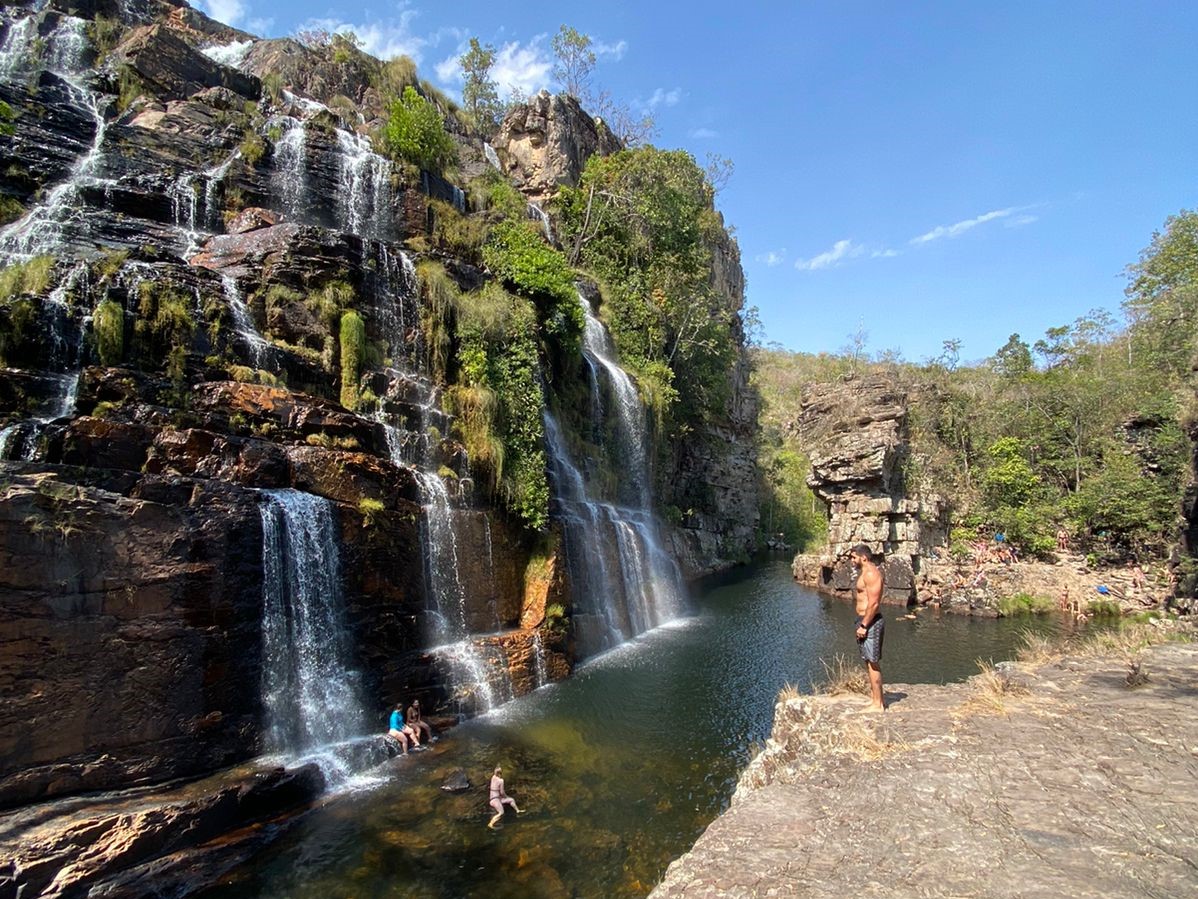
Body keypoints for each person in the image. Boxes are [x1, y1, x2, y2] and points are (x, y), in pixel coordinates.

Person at [848, 543, 886, 712]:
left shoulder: (871, 573)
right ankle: (875, 699)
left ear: (863, 557)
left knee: (873, 663)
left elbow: (874, 603)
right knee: (868, 661)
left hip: (870, 622)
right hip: (864, 621)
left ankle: (878, 704)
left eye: (854, 557)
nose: (851, 560)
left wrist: (864, 625)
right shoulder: (864, 572)